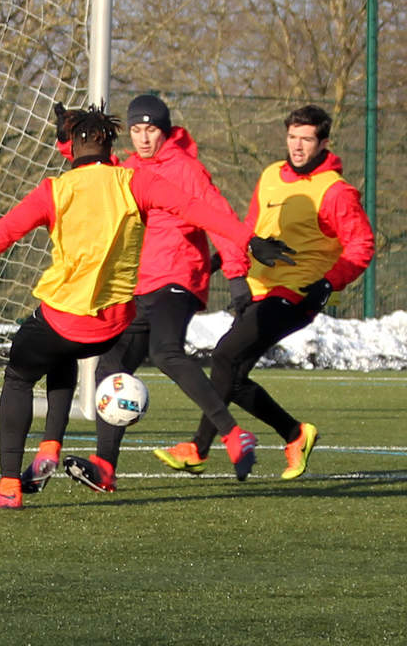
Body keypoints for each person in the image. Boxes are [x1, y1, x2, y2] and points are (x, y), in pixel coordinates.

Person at [0, 102, 294, 509]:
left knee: (20, 374)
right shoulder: (136, 182)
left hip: (65, 320)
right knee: (64, 351)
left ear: (69, 147)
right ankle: (50, 449)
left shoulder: (53, 192)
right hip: (113, 326)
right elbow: (200, 210)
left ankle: (8, 486)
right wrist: (251, 240)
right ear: (112, 146)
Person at [154, 104, 374, 480]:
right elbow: (251, 227)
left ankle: (198, 448)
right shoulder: (271, 175)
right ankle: (294, 434)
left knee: (224, 355)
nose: (298, 146)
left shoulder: (335, 192)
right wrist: (220, 262)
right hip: (258, 289)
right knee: (232, 377)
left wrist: (327, 284)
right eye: (292, 137)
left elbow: (362, 246)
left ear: (323, 142)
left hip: (295, 294)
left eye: (307, 139)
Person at [58, 94, 259, 493]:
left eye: (151, 129)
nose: (144, 137)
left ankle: (233, 435)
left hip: (178, 279)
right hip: (139, 284)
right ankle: (105, 467)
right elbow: (95, 170)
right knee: (109, 369)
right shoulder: (131, 168)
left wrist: (237, 279)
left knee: (166, 352)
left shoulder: (187, 171)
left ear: (164, 130)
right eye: (137, 129)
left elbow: (220, 219)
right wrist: (70, 137)